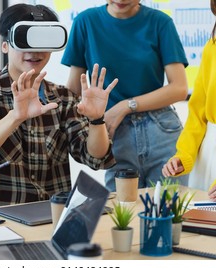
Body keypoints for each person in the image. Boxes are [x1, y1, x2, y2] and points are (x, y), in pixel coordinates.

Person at [0, 3, 118, 208]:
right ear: (5, 45)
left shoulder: (62, 97)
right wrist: (15, 116)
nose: (35, 51)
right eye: (24, 41)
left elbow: (95, 157)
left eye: (43, 42)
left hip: (52, 215)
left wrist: (96, 120)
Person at [61, 0, 189, 191]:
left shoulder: (160, 22)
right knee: (123, 215)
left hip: (161, 130)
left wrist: (125, 106)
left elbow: (179, 88)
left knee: (169, 214)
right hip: (114, 133)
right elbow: (74, 90)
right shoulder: (86, 22)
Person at [162, 0, 216, 202]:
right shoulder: (214, 48)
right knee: (197, 230)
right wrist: (184, 155)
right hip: (207, 156)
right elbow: (197, 115)